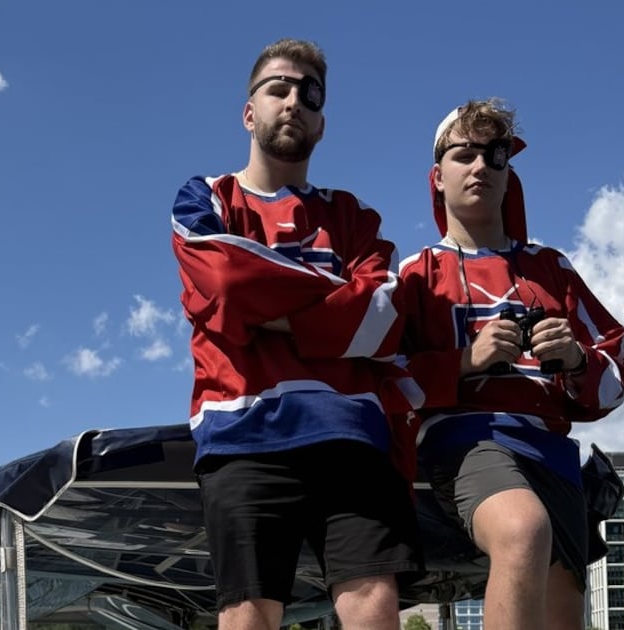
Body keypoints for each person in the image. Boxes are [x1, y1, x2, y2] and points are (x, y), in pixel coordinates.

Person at [170, 38, 423, 630]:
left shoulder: (354, 217)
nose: (293, 102)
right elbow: (226, 279)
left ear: (322, 122)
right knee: (249, 614)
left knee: (374, 606)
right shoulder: (205, 197)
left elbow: (384, 316)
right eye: (277, 88)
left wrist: (272, 311)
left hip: (352, 430)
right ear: (248, 111)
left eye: (309, 94)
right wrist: (332, 300)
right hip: (242, 430)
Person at [397, 99, 624, 629]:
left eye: (495, 155)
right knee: (522, 529)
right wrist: (464, 360)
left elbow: (615, 372)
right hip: (465, 440)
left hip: (550, 449)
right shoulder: (417, 273)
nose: (480, 166)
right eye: (465, 154)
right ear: (437, 176)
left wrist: (573, 357)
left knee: (563, 613)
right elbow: (382, 374)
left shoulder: (552, 269)